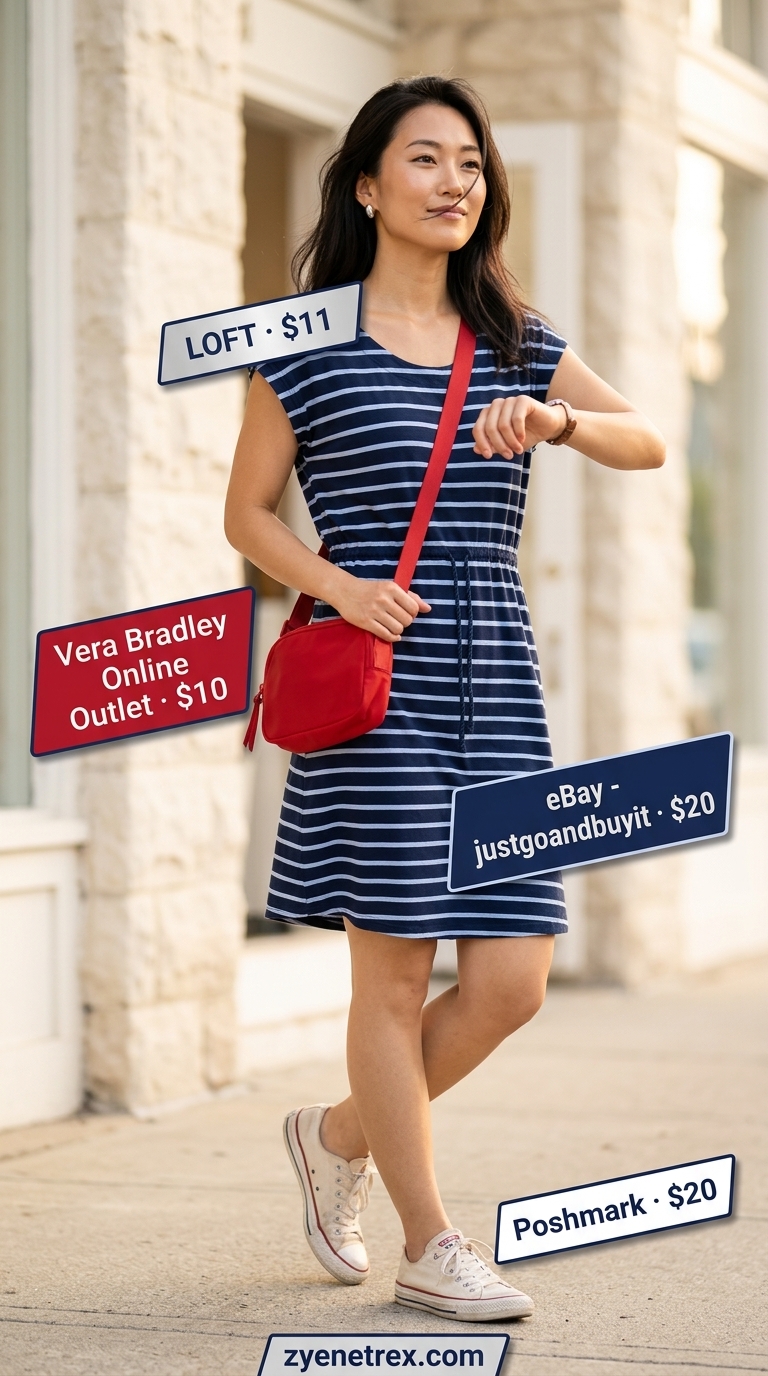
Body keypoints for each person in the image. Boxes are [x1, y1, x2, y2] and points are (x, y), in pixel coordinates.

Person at [225, 75, 664, 1322]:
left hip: (499, 686)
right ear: (367, 185)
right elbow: (246, 510)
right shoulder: (302, 340)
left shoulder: (513, 334)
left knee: (515, 977)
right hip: (376, 695)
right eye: (425, 159)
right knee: (393, 973)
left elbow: (648, 440)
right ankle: (431, 1241)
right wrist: (335, 583)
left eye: (470, 162)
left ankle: (336, 1137)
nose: (455, 181)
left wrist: (561, 419)